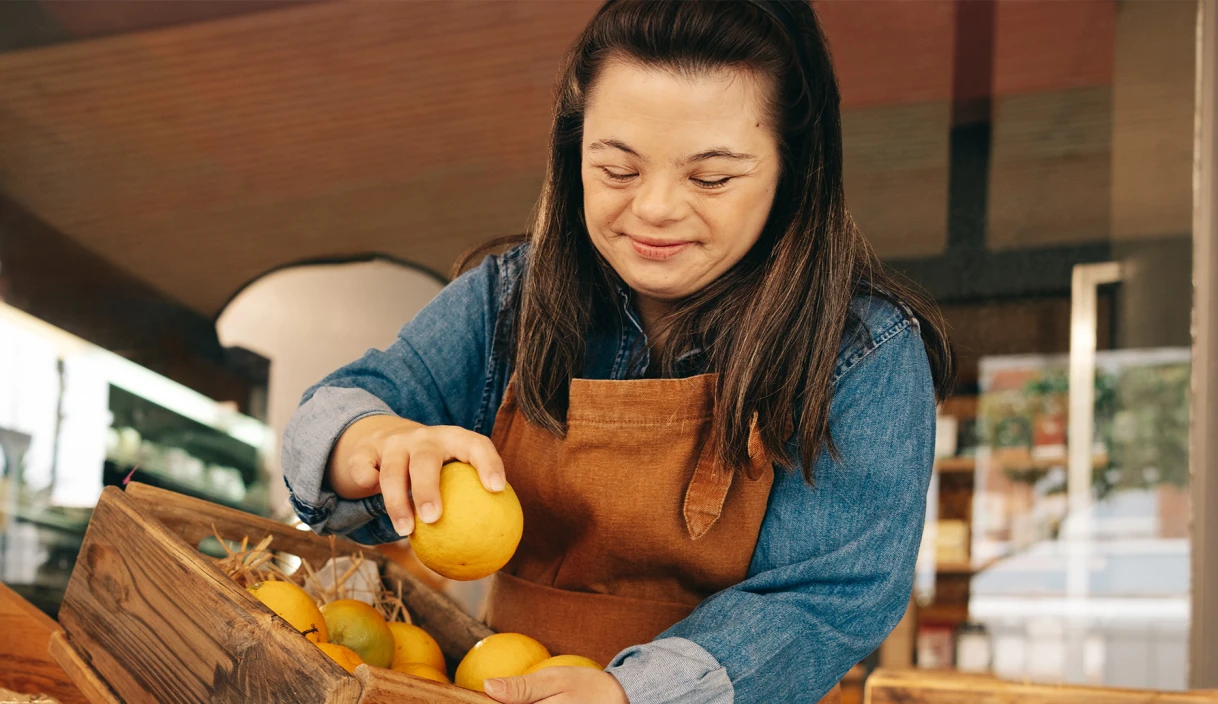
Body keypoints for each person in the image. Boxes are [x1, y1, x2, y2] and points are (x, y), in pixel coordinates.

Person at [282, 1, 955, 702]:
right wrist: (374, 440)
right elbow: (332, 412)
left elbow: (821, 601)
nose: (657, 207)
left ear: (795, 169)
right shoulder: (514, 299)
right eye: (618, 170)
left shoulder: (863, 356)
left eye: (712, 177)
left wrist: (633, 693)